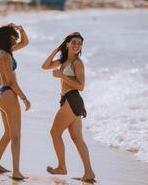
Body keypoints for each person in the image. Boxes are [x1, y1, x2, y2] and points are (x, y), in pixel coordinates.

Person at [41, 32, 96, 183]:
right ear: (67, 44)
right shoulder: (64, 61)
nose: (77, 45)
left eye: (79, 43)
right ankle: (89, 173)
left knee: (54, 133)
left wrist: (62, 76)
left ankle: (62, 167)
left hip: (72, 99)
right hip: (70, 101)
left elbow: (81, 86)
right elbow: (44, 66)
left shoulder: (77, 63)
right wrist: (57, 49)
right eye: (74, 42)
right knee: (77, 139)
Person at [0, 23, 30, 180]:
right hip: (8, 94)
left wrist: (20, 29)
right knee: (16, 135)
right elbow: (12, 82)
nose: (17, 38)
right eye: (14, 35)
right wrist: (24, 98)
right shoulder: (5, 56)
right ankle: (16, 171)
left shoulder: (1, 52)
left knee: (8, 133)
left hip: (0, 95)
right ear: (7, 37)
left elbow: (25, 43)